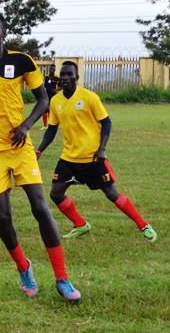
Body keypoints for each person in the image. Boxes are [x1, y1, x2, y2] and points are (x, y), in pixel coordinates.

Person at [0, 12, 80, 302]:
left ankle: (62, 278)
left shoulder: (21, 61)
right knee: (2, 216)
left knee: (40, 207)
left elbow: (43, 99)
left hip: (20, 147)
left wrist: (25, 125)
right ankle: (24, 267)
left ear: (2, 33)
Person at [35, 61, 157, 242]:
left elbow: (106, 122)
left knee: (111, 194)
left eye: (69, 74)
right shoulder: (56, 101)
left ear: (77, 77)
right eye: (63, 75)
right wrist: (38, 152)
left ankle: (143, 225)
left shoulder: (89, 97)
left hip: (92, 158)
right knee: (56, 193)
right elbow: (51, 130)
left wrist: (102, 149)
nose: (66, 78)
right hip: (69, 158)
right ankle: (80, 224)